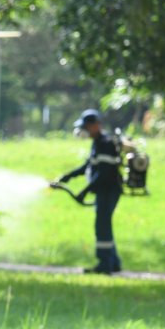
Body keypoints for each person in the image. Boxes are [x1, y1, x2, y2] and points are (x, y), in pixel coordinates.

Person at [55, 109, 123, 274]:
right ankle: (113, 262)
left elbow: (103, 174)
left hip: (109, 190)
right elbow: (88, 166)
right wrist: (67, 177)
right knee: (104, 224)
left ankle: (105, 264)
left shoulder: (105, 143)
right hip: (104, 191)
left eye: (86, 126)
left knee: (102, 225)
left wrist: (84, 192)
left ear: (95, 126)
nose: (84, 130)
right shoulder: (98, 143)